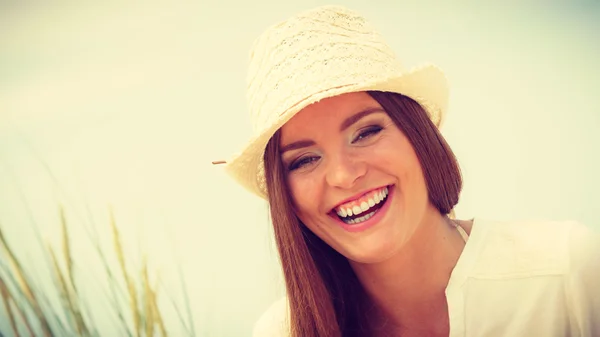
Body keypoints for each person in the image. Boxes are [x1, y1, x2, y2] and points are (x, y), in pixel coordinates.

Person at [213, 5, 600, 337]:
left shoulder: (566, 274)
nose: (344, 176)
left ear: (418, 134)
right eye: (304, 160)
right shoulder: (282, 331)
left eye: (366, 132)